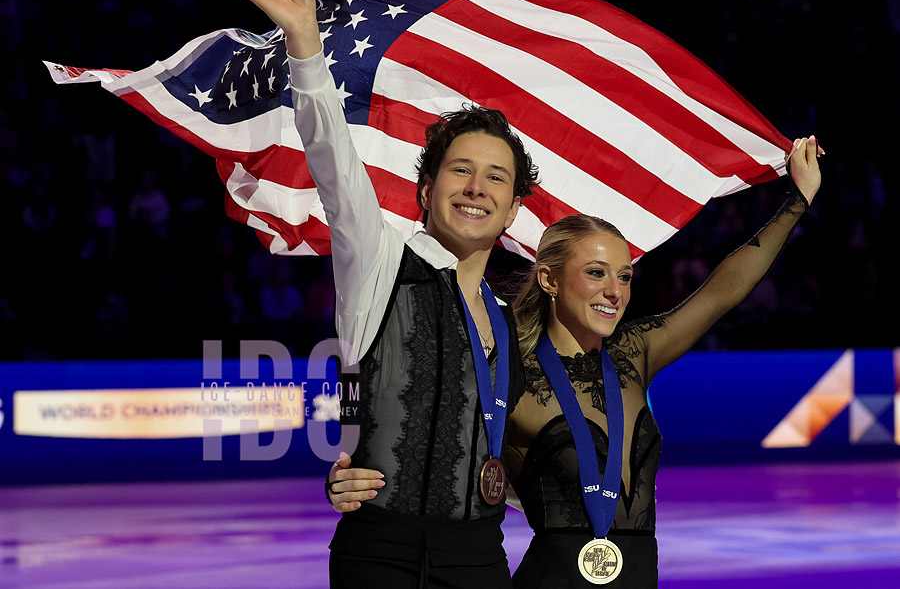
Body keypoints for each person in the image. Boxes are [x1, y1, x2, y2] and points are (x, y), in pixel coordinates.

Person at [330, 135, 822, 587]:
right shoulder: (510, 368)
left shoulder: (636, 352)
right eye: (595, 273)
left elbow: (721, 293)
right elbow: (392, 399)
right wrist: (345, 466)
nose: (615, 291)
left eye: (625, 276)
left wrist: (796, 202)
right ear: (548, 280)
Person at [225, 0, 540, 587]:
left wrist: (346, 439)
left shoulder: (511, 321)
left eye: (496, 179)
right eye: (461, 171)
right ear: (425, 191)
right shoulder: (379, 257)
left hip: (479, 558)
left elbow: (359, 373)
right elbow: (333, 159)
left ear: (512, 211)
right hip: (380, 554)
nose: (476, 187)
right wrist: (306, 45)